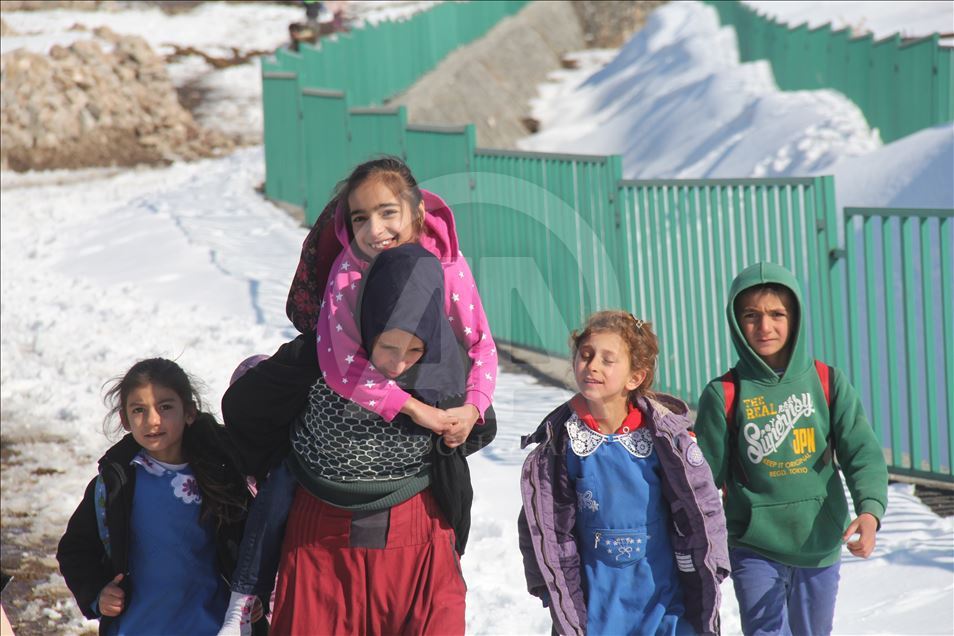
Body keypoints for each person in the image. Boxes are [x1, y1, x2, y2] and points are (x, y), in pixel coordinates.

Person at [219, 155, 498, 632]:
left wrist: (473, 408)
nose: (375, 229)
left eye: (388, 212)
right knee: (280, 485)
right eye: (360, 218)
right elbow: (339, 364)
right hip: (326, 492)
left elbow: (480, 346)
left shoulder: (447, 264)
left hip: (414, 499)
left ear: (417, 211)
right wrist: (417, 411)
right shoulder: (347, 270)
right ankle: (248, 590)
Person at [268, 243, 494, 634]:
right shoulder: (319, 357)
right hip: (319, 543)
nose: (398, 362)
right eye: (387, 346)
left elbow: (481, 425)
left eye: (414, 349)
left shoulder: (443, 369)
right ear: (367, 323)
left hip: (416, 540)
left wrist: (462, 422)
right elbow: (249, 408)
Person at [694, 262, 889, 636]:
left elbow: (861, 452)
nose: (764, 326)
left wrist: (870, 511)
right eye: (751, 315)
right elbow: (703, 479)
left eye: (776, 314)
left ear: (795, 317)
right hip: (754, 544)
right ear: (736, 321)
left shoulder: (827, 381)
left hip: (819, 541)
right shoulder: (724, 394)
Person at [518, 311, 729, 636]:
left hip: (663, 597)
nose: (592, 366)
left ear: (635, 377)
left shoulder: (664, 439)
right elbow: (541, 520)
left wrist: (713, 562)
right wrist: (547, 586)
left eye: (607, 360)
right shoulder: (563, 441)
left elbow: (703, 504)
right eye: (586, 355)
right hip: (597, 603)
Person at [56, 358, 267, 636]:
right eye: (139, 410)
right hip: (138, 626)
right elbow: (75, 549)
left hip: (212, 625)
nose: (153, 420)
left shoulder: (222, 476)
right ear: (125, 419)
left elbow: (255, 543)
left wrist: (254, 595)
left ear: (189, 412)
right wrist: (98, 592)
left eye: (165, 407)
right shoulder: (115, 484)